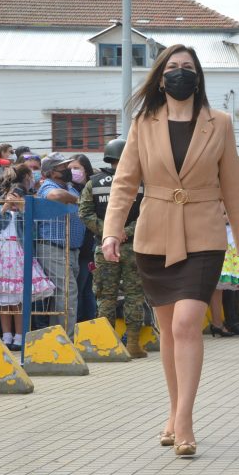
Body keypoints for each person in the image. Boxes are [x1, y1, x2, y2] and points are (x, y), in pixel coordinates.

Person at [102, 44, 239, 457]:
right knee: (169, 330)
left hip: (204, 235)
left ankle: (185, 419)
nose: (180, 73)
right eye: (172, 67)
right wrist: (111, 231)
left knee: (188, 323)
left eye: (188, 67)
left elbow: (234, 190)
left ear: (199, 76)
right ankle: (173, 411)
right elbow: (124, 182)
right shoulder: (143, 123)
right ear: (160, 76)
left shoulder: (219, 123)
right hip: (153, 235)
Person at [78, 138, 148, 358]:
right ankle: (134, 345)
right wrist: (126, 231)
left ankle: (108, 345)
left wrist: (110, 232)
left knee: (105, 296)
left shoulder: (94, 183)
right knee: (135, 295)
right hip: (134, 247)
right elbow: (151, 212)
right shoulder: (143, 181)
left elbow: (85, 213)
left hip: (105, 246)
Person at [0, 185, 55, 351]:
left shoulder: (25, 212)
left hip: (19, 253)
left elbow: (32, 230)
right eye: (10, 195)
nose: (12, 199)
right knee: (4, 301)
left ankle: (20, 336)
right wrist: (3, 210)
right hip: (1, 253)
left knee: (18, 301)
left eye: (17, 196)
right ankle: (6, 335)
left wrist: (22, 210)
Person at [36, 153, 86, 337]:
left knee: (64, 295)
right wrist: (77, 200)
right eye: (62, 167)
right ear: (50, 172)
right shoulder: (49, 186)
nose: (67, 170)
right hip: (53, 247)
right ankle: (68, 338)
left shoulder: (70, 187)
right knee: (67, 293)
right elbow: (55, 195)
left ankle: (58, 337)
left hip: (71, 249)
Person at [70, 155, 97, 323]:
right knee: (79, 290)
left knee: (87, 290)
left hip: (89, 247)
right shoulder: (70, 189)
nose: (73, 172)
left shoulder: (93, 186)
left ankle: (89, 324)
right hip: (77, 248)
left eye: (76, 168)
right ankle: (80, 324)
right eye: (70, 168)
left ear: (86, 169)